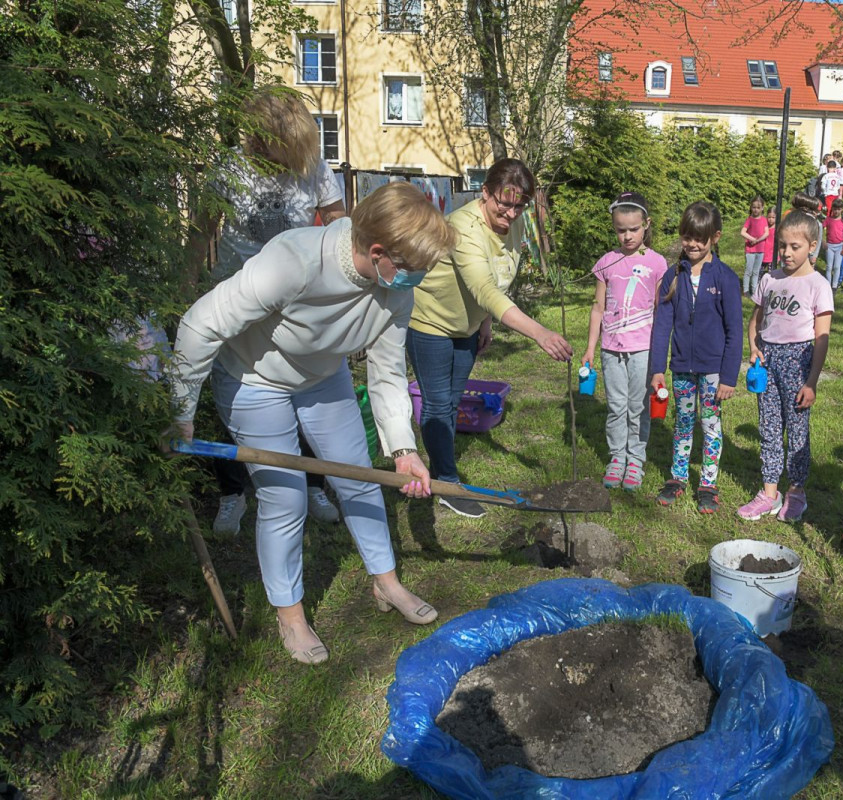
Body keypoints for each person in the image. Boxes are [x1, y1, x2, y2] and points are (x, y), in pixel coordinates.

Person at [168, 182, 454, 663]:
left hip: (323, 377)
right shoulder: (296, 260)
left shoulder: (396, 288)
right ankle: (291, 616)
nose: (418, 279)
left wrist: (404, 450)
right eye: (413, 270)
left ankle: (386, 583)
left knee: (360, 479)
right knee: (286, 497)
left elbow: (386, 371)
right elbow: (201, 324)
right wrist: (181, 412)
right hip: (254, 378)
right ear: (378, 252)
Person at [202, 90, 349, 534]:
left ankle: (313, 484)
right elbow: (202, 229)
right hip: (235, 301)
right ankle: (232, 493)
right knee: (232, 394)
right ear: (263, 137)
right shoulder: (229, 167)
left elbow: (341, 229)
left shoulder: (314, 168)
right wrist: (189, 285)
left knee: (304, 391)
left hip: (295, 304)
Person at [408, 159, 572, 518]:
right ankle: (448, 484)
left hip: (466, 325)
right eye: (504, 203)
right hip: (430, 323)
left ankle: (439, 466)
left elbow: (498, 278)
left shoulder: (513, 225)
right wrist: (539, 333)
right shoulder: (462, 229)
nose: (511, 213)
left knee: (450, 403)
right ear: (485, 192)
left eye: (520, 205)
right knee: (437, 405)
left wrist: (484, 323)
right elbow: (483, 288)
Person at [737, 211, 833, 522]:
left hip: (799, 363)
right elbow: (756, 319)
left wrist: (812, 381)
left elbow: (821, 337)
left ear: (812, 246)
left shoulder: (818, 285)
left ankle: (796, 492)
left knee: (797, 430)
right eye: (782, 246)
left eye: (794, 246)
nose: (787, 253)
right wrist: (754, 347)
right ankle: (769, 493)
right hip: (768, 361)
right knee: (768, 426)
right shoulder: (769, 279)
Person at [651, 203, 742, 513]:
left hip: (713, 371)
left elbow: (735, 331)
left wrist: (729, 377)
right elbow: (662, 326)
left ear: (714, 238)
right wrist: (657, 369)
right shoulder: (672, 275)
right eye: (686, 237)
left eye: (698, 239)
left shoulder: (726, 279)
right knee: (684, 422)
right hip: (681, 369)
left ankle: (708, 483)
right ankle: (677, 478)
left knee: (711, 424)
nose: (691, 244)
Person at [581, 192, 670, 492]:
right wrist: (590, 349)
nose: (628, 236)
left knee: (638, 407)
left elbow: (661, 312)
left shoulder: (657, 263)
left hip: (643, 350)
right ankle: (617, 458)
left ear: (646, 225)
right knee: (616, 406)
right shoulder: (607, 262)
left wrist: (660, 357)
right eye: (621, 230)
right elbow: (597, 307)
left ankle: (635, 460)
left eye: (634, 229)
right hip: (610, 350)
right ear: (614, 227)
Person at [741, 195, 769, 298]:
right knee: (748, 270)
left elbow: (766, 233)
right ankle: (746, 290)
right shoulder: (749, 219)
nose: (756, 210)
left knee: (756, 271)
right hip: (750, 250)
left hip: (760, 249)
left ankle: (754, 290)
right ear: (751, 207)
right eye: (754, 207)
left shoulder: (764, 219)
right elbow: (743, 232)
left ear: (762, 208)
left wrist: (757, 240)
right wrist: (752, 239)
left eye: (758, 207)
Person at [823, 199, 843, 289]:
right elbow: (821, 229)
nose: (836, 211)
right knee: (829, 266)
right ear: (832, 209)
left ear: (842, 210)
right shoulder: (828, 219)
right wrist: (823, 241)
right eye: (835, 209)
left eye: (839, 209)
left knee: (837, 267)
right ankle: (828, 284)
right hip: (829, 246)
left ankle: (834, 285)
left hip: (839, 246)